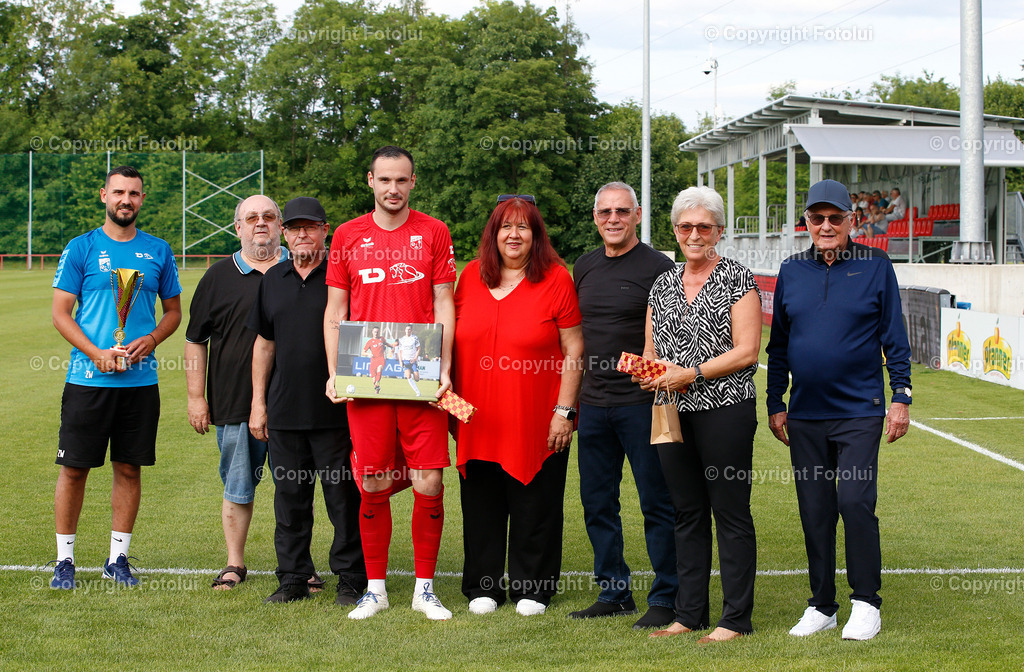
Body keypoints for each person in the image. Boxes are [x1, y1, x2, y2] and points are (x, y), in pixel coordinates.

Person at [766, 178, 912, 641]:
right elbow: (780, 344)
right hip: (805, 414)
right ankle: (822, 606)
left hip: (859, 411)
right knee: (814, 509)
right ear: (805, 222)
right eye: (817, 217)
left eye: (835, 217)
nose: (826, 225)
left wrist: (901, 396)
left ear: (853, 219)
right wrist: (775, 402)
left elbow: (895, 336)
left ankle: (866, 602)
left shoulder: (876, 265)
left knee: (853, 501)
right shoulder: (791, 270)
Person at [324, 145, 456, 621]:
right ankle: (375, 589)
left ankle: (425, 589)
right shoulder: (347, 235)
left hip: (419, 376)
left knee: (430, 480)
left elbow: (444, 301)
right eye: (385, 180)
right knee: (373, 481)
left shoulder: (434, 232)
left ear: (413, 182)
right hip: (367, 378)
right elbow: (335, 313)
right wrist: (334, 371)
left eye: (402, 180)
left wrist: (442, 366)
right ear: (370, 181)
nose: (393, 189)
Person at [638, 186, 761, 644]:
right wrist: (646, 373)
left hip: (725, 407)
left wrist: (692, 373)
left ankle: (735, 619)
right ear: (674, 230)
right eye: (685, 226)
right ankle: (688, 613)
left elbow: (748, 351)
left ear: (719, 232)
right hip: (670, 410)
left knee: (729, 512)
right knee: (686, 512)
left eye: (703, 227)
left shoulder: (737, 277)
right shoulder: (663, 282)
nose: (694, 234)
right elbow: (651, 349)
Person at [49, 165, 182, 588]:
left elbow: (175, 311)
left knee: (128, 469)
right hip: (87, 381)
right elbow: (60, 313)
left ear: (142, 200)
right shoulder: (81, 248)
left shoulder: (158, 250)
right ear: (103, 195)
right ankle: (64, 561)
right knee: (74, 470)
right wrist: (96, 354)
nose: (127, 200)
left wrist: (153, 338)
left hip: (140, 384)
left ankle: (117, 559)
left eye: (135, 194)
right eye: (119, 192)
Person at [452, 195, 583, 617]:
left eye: (523, 227)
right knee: (481, 503)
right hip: (476, 416)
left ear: (536, 235)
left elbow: (574, 348)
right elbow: (447, 340)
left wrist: (564, 411)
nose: (514, 234)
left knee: (536, 502)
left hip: (537, 416)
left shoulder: (557, 279)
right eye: (505, 226)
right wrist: (449, 402)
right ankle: (483, 586)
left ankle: (534, 588)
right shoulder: (470, 276)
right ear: (492, 234)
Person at [569, 182, 678, 629]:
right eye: (604, 212)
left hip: (642, 405)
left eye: (621, 211)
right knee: (597, 503)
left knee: (657, 502)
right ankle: (613, 591)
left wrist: (654, 377)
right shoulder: (584, 266)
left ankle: (667, 596)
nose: (612, 219)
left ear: (636, 215)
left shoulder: (659, 267)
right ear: (595, 217)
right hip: (593, 405)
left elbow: (675, 336)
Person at [248, 196, 365, 605]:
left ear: (324, 231)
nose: (302, 234)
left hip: (336, 412)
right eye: (294, 227)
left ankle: (351, 578)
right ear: (284, 232)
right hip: (284, 412)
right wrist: (258, 404)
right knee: (290, 502)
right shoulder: (272, 279)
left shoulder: (342, 278)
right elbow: (265, 345)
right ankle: (293, 578)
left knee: (342, 500)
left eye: (310, 227)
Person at [184, 194, 289, 590]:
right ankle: (234, 563)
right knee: (238, 486)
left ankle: (298, 565)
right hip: (232, 403)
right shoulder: (217, 276)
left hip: (293, 403)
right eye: (251, 218)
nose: (260, 223)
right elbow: (196, 340)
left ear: (280, 225)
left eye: (268, 217)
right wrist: (196, 396)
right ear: (238, 227)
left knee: (294, 488)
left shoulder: (301, 270)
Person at [362, 326, 389, 394]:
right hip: (373, 361)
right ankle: (377, 387)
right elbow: (363, 352)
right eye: (375, 332)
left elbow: (386, 344)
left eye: (377, 332)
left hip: (381, 359)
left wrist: (392, 347)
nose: (376, 333)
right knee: (373, 379)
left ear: (379, 332)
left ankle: (377, 383)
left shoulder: (382, 339)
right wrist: (368, 354)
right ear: (372, 332)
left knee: (379, 369)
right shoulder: (370, 342)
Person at [397, 324, 422, 396]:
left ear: (411, 330)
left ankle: (414, 372)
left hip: (413, 361)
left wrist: (415, 358)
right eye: (406, 329)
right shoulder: (401, 340)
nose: (408, 331)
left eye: (409, 329)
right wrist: (400, 361)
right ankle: (418, 392)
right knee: (408, 376)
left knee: (417, 379)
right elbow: (400, 351)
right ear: (405, 330)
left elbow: (418, 348)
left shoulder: (415, 338)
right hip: (405, 361)